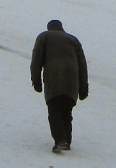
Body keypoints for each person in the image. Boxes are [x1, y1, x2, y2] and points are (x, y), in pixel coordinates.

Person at [30, 20, 88, 153]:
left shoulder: (44, 37)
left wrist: (36, 80)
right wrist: (83, 88)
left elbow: (36, 59)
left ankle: (60, 141)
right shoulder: (73, 40)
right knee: (66, 111)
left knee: (55, 110)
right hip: (72, 81)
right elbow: (82, 65)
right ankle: (66, 140)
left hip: (54, 78)